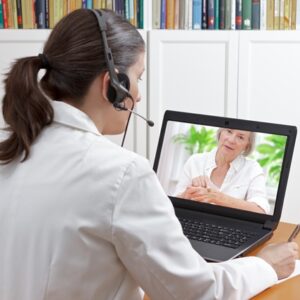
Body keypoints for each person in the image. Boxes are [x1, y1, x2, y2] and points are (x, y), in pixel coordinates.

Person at [0, 9, 298, 300]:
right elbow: (195, 291)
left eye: (241, 136)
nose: (139, 95)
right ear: (112, 85)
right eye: (138, 77)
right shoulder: (122, 173)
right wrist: (266, 266)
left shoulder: (12, 148)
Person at [175, 128, 270, 214]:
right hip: (195, 220)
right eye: (229, 131)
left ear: (247, 146)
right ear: (220, 133)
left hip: (231, 227)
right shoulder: (195, 161)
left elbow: (260, 211)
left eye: (240, 137)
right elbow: (175, 203)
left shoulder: (252, 168)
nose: (231, 140)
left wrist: (217, 197)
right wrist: (188, 194)